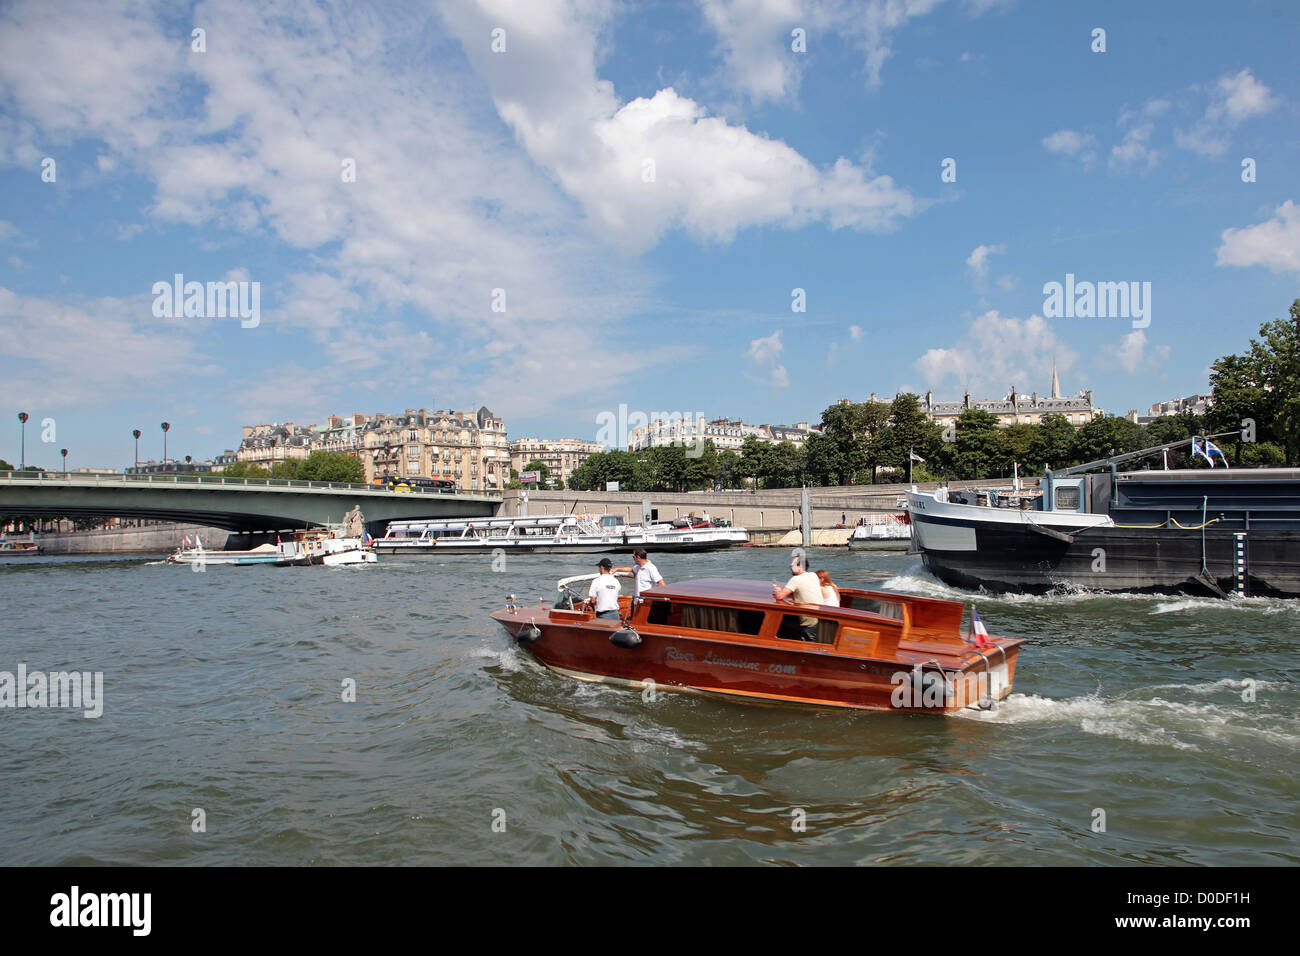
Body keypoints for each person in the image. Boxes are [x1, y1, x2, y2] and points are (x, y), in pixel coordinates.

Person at [772, 553, 822, 641]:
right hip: (820, 618)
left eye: (792, 565)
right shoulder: (813, 575)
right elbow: (801, 592)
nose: (790, 567)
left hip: (809, 621)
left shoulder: (796, 579)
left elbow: (779, 596)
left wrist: (778, 591)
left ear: (800, 567)